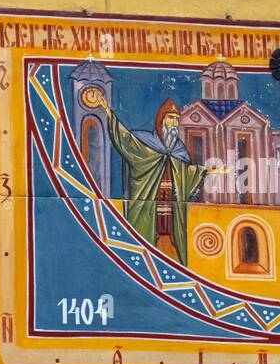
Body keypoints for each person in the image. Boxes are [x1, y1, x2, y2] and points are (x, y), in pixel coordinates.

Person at [90, 90, 224, 263]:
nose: (174, 123)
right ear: (161, 120)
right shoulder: (145, 143)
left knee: (171, 246)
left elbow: (186, 172)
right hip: (148, 207)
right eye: (170, 118)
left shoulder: (179, 150)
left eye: (176, 119)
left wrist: (209, 171)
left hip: (171, 212)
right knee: (145, 246)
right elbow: (125, 139)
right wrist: (108, 112)